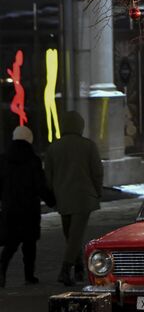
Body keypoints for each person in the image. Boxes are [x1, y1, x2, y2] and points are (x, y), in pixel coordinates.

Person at [45, 111, 103, 286]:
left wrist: (53, 194)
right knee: (74, 236)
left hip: (63, 198)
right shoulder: (88, 146)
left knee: (71, 235)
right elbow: (97, 172)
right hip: (83, 197)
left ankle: (77, 268)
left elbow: (48, 175)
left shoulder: (53, 148)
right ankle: (66, 270)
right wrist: (97, 191)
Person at [0, 127, 55, 287]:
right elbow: (40, 185)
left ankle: (2, 270)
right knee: (29, 244)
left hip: (10, 207)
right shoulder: (33, 160)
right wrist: (51, 200)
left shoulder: (3, 160)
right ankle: (29, 275)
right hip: (29, 209)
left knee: (11, 242)